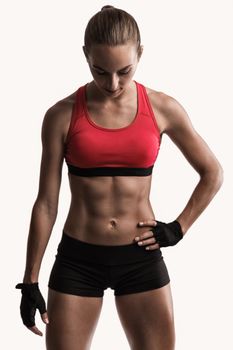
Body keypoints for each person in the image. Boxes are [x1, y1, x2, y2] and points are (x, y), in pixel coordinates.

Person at [16, 5, 223, 350]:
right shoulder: (60, 115)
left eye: (124, 71)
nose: (112, 83)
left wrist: (179, 227)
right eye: (100, 71)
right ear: (86, 55)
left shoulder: (162, 108)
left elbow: (212, 172)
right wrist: (29, 280)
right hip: (77, 260)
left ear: (140, 54)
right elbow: (47, 202)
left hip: (140, 259)